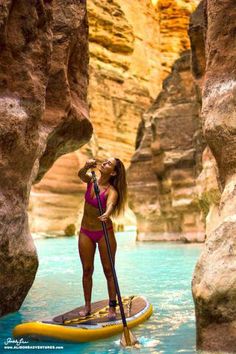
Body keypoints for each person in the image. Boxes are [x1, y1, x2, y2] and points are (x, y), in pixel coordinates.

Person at [77, 157, 127, 320]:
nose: (104, 163)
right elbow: (80, 174)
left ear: (113, 172)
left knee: (108, 270)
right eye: (104, 161)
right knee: (87, 270)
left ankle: (112, 307)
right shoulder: (91, 180)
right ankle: (87, 306)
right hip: (86, 231)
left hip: (104, 232)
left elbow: (111, 204)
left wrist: (106, 214)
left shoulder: (112, 191)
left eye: (109, 164)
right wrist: (85, 166)